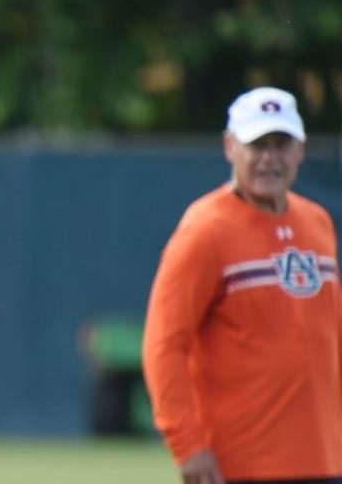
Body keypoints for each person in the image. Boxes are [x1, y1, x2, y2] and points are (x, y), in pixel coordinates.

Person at [142, 86, 341, 484]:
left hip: (325, 457)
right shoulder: (205, 230)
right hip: (244, 463)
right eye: (257, 145)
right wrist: (188, 445)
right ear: (229, 146)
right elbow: (164, 344)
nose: (270, 159)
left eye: (281, 144)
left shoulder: (317, 223)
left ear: (300, 150)